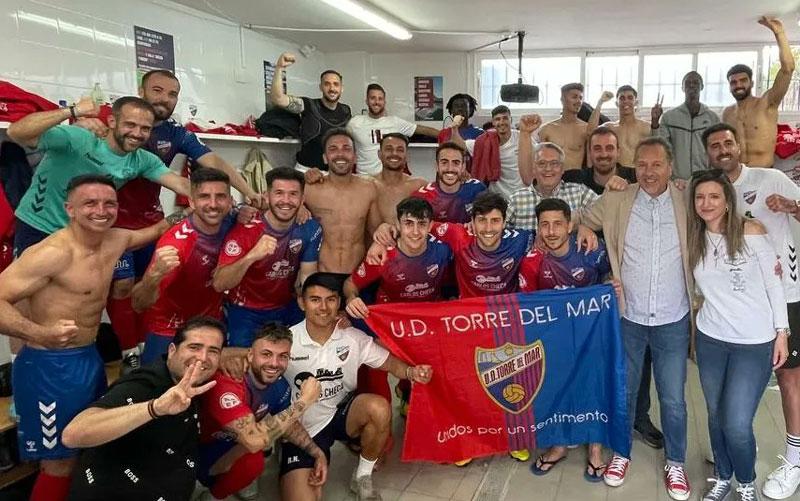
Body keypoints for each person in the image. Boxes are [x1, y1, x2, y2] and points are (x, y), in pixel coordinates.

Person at [0, 175, 176, 501]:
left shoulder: (116, 240)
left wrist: (193, 209)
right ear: (70, 209)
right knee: (59, 462)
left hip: (88, 359)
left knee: (86, 446)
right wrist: (40, 333)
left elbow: (156, 229)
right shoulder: (51, 253)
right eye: (90, 203)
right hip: (48, 368)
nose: (101, 210)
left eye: (109, 203)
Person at [75, 70, 261, 370]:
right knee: (122, 286)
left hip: (153, 222)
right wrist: (79, 120)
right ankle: (128, 352)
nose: (164, 98)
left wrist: (247, 194)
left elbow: (213, 164)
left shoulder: (175, 133)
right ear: (141, 91)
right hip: (110, 224)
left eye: (172, 94)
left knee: (153, 282)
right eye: (157, 90)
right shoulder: (111, 118)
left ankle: (146, 343)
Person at [577, 137, 694, 500]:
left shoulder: (687, 198)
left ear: (670, 167)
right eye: (642, 165)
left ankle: (676, 462)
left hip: (673, 317)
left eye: (657, 164)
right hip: (628, 315)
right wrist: (584, 228)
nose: (648, 172)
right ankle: (621, 453)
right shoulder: (617, 197)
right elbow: (581, 218)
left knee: (673, 398)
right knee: (625, 390)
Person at [702, 122, 800, 499]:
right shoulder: (709, 191)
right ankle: (736, 448)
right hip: (736, 310)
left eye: (728, 142)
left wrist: (792, 206)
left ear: (739, 145)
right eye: (715, 145)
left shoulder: (771, 178)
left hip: (784, 294)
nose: (723, 149)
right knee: (726, 399)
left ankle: (794, 459)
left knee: (789, 380)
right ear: (707, 154)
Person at [280, 272, 432, 501]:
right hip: (302, 428)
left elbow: (390, 363)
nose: (323, 307)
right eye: (315, 300)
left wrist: (412, 373)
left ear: (339, 303)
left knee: (378, 408)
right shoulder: (287, 341)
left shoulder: (352, 337)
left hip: (340, 414)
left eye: (331, 299)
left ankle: (362, 477)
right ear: (302, 303)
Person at [686, 170, 789, 501]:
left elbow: (774, 284)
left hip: (753, 343)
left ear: (728, 201)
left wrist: (782, 332)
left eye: (714, 196)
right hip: (711, 340)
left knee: (737, 423)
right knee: (716, 417)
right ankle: (722, 476)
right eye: (700, 197)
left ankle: (745, 482)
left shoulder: (751, 231)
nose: (706, 203)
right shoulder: (695, 237)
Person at [562, 126, 664, 450]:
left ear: (619, 152)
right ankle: (591, 416)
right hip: (588, 285)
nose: (604, 154)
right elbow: (570, 218)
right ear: (589, 152)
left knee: (639, 356)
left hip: (627, 284)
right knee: (591, 355)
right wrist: (582, 226)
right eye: (598, 148)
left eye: (610, 148)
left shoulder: (634, 177)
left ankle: (639, 417)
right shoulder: (576, 179)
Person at [62, 316, 224, 501]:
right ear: (172, 351)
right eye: (194, 347)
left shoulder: (194, 384)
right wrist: (155, 408)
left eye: (213, 351)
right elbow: (72, 435)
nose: (203, 358)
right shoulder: (144, 385)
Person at [7, 95, 190, 255]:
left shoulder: (142, 160)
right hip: (39, 226)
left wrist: (204, 199)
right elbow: (16, 132)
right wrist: (72, 111)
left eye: (145, 128)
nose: (137, 133)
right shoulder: (79, 138)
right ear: (112, 122)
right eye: (130, 125)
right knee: (28, 284)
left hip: (82, 235)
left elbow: (181, 185)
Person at [517, 198, 611, 481]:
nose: (551, 231)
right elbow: (527, 305)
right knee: (554, 387)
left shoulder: (591, 249)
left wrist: (610, 284)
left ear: (570, 225)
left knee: (595, 387)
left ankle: (595, 450)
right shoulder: (532, 261)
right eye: (544, 225)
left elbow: (611, 273)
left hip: (592, 336)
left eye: (558, 224)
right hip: (554, 339)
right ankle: (558, 446)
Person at [196, 323, 325, 501]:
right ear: (250, 355)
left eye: (282, 356)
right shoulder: (229, 382)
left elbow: (288, 424)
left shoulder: (280, 386)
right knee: (255, 450)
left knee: (253, 460)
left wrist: (317, 453)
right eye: (266, 354)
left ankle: (213, 496)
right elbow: (253, 439)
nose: (274, 363)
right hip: (196, 448)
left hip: (233, 442)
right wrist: (304, 402)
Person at [132, 168, 236, 364]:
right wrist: (153, 276)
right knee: (159, 382)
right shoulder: (177, 244)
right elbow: (139, 304)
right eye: (204, 197)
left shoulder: (232, 221)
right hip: (171, 329)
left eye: (220, 196)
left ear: (230, 201)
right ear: (192, 202)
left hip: (211, 323)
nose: (213, 204)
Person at [213, 167, 322, 348]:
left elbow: (308, 276)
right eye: (279, 193)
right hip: (245, 310)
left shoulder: (310, 228)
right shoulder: (246, 227)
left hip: (286, 306)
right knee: (241, 360)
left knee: (303, 351)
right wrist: (252, 256)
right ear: (267, 196)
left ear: (302, 199)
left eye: (293, 194)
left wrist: (315, 309)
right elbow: (219, 283)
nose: (286, 200)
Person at [303, 128, 381, 275]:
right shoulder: (310, 189)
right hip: (320, 274)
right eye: (333, 149)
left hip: (356, 275)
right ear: (325, 158)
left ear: (355, 157)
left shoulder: (368, 189)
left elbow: (376, 234)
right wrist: (299, 208)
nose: (340, 154)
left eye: (346, 148)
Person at [722, 16, 795, 168]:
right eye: (733, 82)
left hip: (764, 172)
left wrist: (779, 33)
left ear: (752, 83)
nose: (738, 85)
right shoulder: (727, 114)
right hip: (738, 175)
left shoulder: (766, 103)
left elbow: (787, 69)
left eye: (743, 80)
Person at [271, 52, 352, 170]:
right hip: (305, 169)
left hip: (332, 172)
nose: (332, 88)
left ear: (341, 88)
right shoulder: (308, 105)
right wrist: (279, 68)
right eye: (327, 84)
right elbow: (278, 99)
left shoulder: (346, 111)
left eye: (336, 84)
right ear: (321, 87)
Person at [346, 83, 439, 175]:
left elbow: (423, 130)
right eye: (373, 98)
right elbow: (343, 143)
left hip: (389, 179)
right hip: (364, 178)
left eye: (380, 99)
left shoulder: (394, 122)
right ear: (367, 101)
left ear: (384, 102)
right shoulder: (355, 123)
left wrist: (445, 135)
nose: (376, 102)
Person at [508, 142, 598, 232]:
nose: (548, 168)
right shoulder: (517, 199)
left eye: (554, 163)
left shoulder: (580, 193)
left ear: (562, 169)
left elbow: (603, 211)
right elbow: (502, 232)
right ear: (534, 168)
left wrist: (584, 227)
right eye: (542, 163)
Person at [449, 105, 533, 199]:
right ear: (493, 122)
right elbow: (459, 144)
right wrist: (454, 128)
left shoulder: (522, 138)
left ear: (511, 120)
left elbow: (539, 154)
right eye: (497, 119)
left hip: (521, 195)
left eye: (505, 118)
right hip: (496, 197)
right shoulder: (486, 141)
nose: (501, 122)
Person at [654, 71, 720, 179]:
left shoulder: (712, 118)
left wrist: (714, 175)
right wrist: (655, 122)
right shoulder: (669, 117)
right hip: (677, 180)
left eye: (696, 82)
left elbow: (717, 149)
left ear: (702, 86)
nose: (692, 85)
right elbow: (659, 146)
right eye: (688, 83)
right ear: (682, 88)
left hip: (705, 180)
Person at [411, 142, 486, 223]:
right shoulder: (422, 197)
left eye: (456, 163)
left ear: (463, 167)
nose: (450, 168)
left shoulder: (477, 189)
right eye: (444, 162)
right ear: (436, 166)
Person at [537, 83, 603, 170]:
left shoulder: (585, 129)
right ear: (562, 99)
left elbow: (590, 160)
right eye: (574, 97)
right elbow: (539, 159)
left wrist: (600, 103)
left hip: (576, 175)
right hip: (552, 175)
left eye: (580, 98)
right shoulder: (546, 129)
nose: (579, 101)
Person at [595, 85, 659, 168]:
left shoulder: (646, 127)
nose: (626, 101)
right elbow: (590, 132)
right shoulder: (610, 128)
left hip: (639, 172)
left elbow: (659, 148)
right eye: (622, 98)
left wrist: (655, 121)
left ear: (636, 102)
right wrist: (600, 103)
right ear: (616, 103)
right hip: (617, 173)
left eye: (630, 98)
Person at [370, 133, 428, 224]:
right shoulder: (368, 185)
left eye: (400, 150)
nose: (394, 153)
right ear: (379, 154)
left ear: (406, 155)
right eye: (389, 149)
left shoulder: (419, 186)